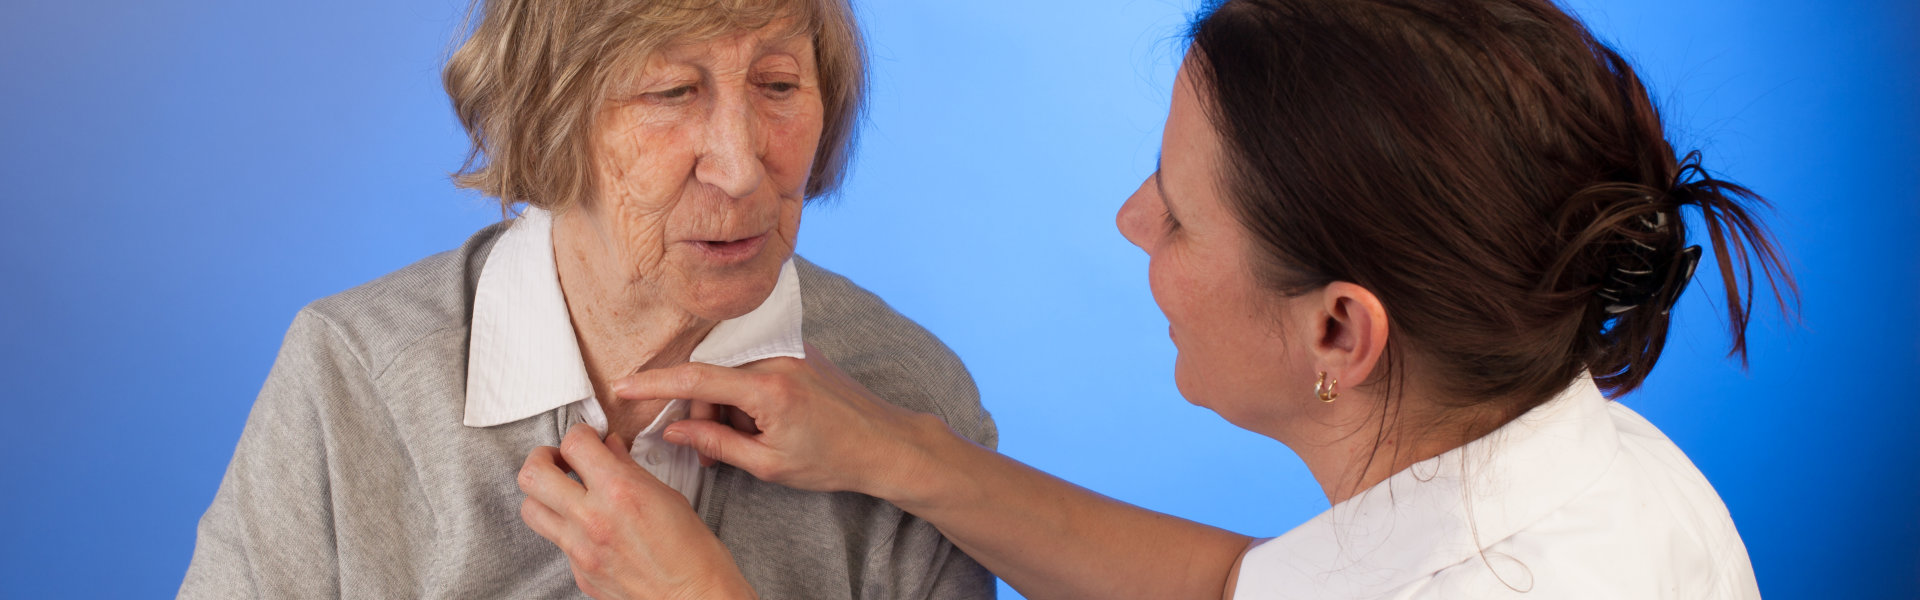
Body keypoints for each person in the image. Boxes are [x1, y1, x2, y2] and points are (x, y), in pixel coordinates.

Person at [518, 0, 1798, 598]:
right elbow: (1256, 593)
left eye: (1178, 212)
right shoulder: (1591, 466)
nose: (1131, 221)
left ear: (1339, 332)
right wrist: (909, 458)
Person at [178, 0, 996, 597]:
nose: (743, 167)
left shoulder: (911, 401)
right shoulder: (351, 371)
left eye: (779, 85)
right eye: (673, 92)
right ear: (549, 113)